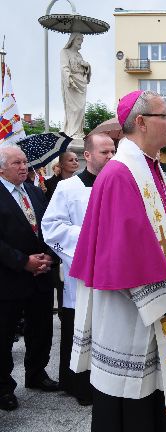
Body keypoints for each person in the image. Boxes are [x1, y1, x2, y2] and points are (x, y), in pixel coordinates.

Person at [69, 90, 166, 430]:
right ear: (141, 122)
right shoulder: (121, 174)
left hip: (150, 308)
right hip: (129, 311)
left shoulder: (150, 169)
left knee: (153, 393)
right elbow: (127, 251)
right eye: (164, 116)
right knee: (130, 400)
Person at [42, 133, 115, 406]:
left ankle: (106, 382)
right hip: (80, 273)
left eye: (112, 152)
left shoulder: (119, 184)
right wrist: (89, 240)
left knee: (108, 329)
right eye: (104, 152)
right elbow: (52, 228)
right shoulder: (68, 188)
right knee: (78, 329)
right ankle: (78, 385)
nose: (110, 157)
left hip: (113, 272)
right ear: (88, 155)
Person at [0, 145, 58, 412]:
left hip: (40, 275)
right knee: (4, 334)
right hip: (9, 278)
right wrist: (23, 262)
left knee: (42, 328)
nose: (24, 167)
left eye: (25, 162)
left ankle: (36, 373)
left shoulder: (35, 191)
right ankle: (3, 388)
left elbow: (48, 227)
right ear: (1, 168)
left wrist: (47, 256)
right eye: (16, 163)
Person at [61, 32, 91, 139]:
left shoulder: (79, 55)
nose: (80, 42)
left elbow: (84, 70)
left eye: (82, 40)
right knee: (73, 108)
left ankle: (78, 131)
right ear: (73, 40)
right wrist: (69, 78)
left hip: (81, 82)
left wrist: (87, 67)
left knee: (81, 108)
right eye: (79, 40)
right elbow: (64, 67)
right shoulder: (65, 52)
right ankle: (71, 131)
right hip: (72, 83)